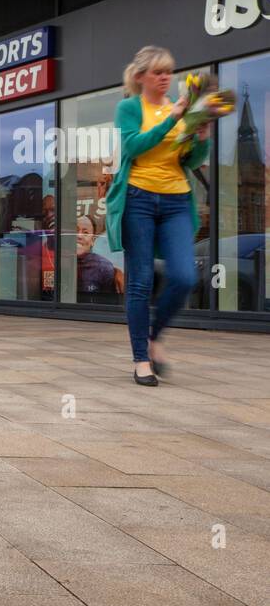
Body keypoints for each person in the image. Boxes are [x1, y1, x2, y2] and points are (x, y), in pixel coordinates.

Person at [105, 46, 210, 386]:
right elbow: (134, 146)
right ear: (140, 77)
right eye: (158, 72)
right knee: (140, 282)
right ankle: (140, 359)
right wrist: (174, 117)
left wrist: (202, 139)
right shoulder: (129, 108)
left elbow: (190, 162)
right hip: (138, 199)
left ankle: (154, 337)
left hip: (177, 201)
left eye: (169, 71)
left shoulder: (177, 108)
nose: (166, 77)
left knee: (184, 277)